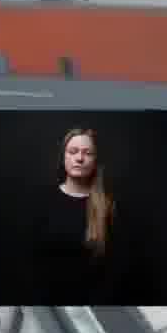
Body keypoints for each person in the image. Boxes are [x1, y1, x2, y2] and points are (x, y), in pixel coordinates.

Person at [29, 128, 125, 305]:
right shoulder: (40, 199)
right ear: (64, 156)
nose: (79, 158)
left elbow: (114, 270)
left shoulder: (108, 207)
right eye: (73, 152)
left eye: (87, 153)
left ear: (96, 161)